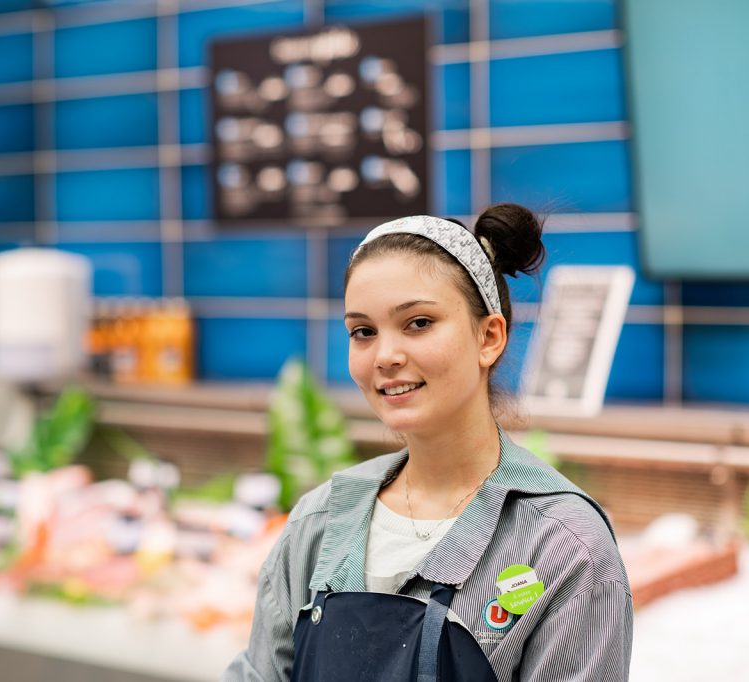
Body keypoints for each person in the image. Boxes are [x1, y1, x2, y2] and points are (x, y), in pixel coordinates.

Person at [224, 204, 633, 681]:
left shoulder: (565, 549)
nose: (386, 356)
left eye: (418, 323)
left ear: (489, 337)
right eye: (363, 332)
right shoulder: (320, 522)